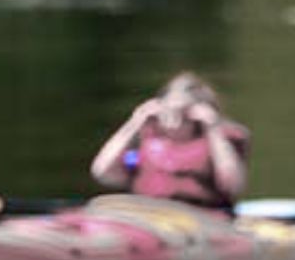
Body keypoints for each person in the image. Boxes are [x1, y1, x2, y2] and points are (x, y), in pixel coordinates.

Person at [91, 72, 249, 210]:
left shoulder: (223, 139)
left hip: (202, 216)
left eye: (183, 112)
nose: (175, 120)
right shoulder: (145, 137)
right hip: (148, 215)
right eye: (169, 111)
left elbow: (232, 185)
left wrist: (213, 128)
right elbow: (103, 173)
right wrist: (134, 123)